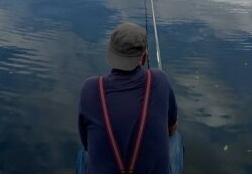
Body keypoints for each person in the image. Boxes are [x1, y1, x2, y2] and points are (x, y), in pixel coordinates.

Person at [77, 23, 183, 174]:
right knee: (175, 139)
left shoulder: (90, 88)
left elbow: (86, 142)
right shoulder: (160, 79)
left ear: (110, 54)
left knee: (83, 152)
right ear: (144, 57)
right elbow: (171, 127)